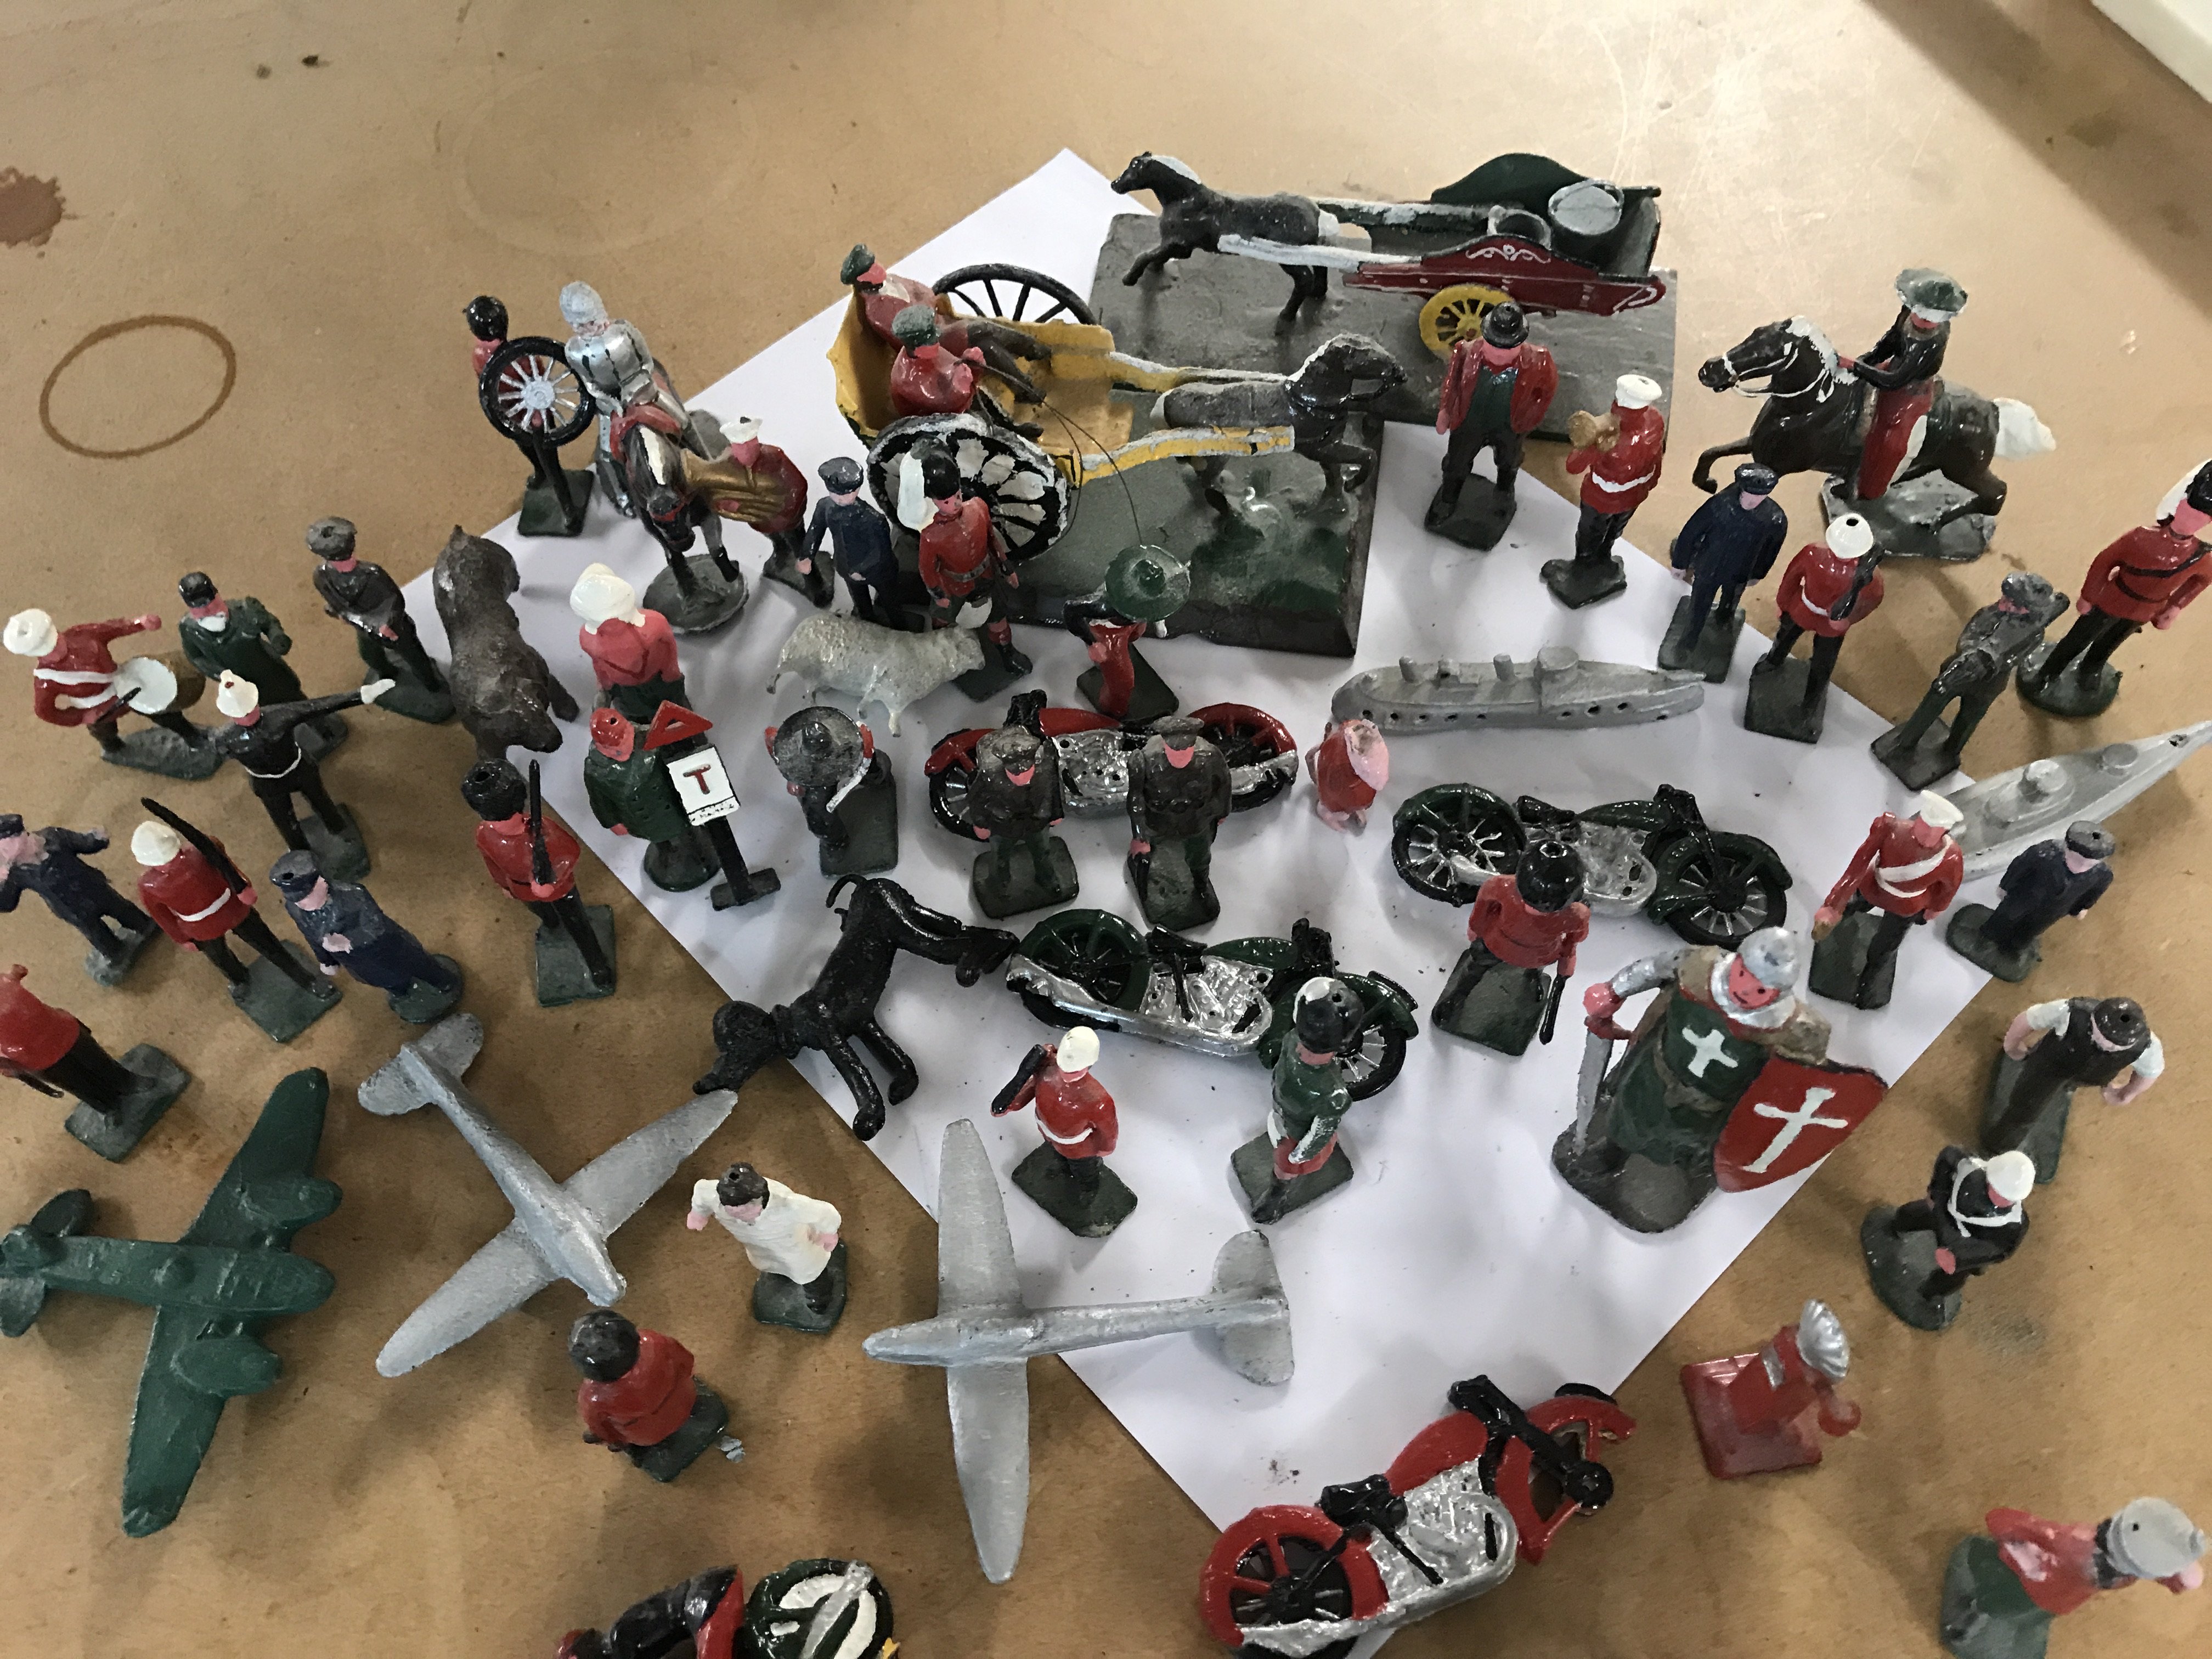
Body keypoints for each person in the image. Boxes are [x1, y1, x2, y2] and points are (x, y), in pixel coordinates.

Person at [1555, 927, 1837, 1234]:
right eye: (1743, 974)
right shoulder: (1700, 967)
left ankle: (1684, 1171)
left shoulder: (1796, 1031)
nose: (1744, 990)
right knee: (1628, 1115)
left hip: (1714, 1104)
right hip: (1656, 1073)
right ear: (1738, 961)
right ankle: (1612, 1153)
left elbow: (1803, 1077)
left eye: (1760, 990)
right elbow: (1654, 968)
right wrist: (1615, 991)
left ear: (1777, 993)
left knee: (1690, 1143)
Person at [2018, 459, 2212, 717]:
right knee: (2078, 638)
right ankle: (2049, 672)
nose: (2190, 521)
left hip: (2146, 610)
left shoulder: (2201, 556)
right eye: (2188, 512)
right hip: (2112, 599)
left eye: (2198, 518)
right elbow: (2104, 562)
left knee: (2112, 641)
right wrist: (2089, 596)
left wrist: (2175, 606)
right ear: (2178, 506)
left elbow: (2202, 580)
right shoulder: (2140, 537)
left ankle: (2092, 667)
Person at [1941, 1497, 2202, 1659]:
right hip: (2034, 1591)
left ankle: (1977, 1623)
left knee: (2021, 1612)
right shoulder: (2079, 1547)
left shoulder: (2094, 1555)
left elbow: (2001, 1520)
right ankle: (1966, 1626)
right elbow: (2006, 1523)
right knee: (2001, 1607)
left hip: (2048, 1594)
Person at [460, 759, 614, 992]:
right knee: (543, 914)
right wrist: (504, 885)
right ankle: (552, 923)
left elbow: (570, 852)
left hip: (560, 890)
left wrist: (552, 880)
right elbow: (492, 862)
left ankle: (597, 964)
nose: (495, 824)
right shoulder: (484, 834)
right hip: (521, 889)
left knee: (578, 925)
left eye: (498, 818)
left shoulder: (543, 830)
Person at [131, 816, 322, 995]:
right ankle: (243, 980)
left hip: (224, 913)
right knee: (227, 956)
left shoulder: (197, 854)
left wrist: (243, 887)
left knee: (265, 946)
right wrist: (181, 938)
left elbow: (227, 867)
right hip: (213, 920)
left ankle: (300, 978)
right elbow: (161, 915)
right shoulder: (156, 881)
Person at [1432, 839, 1589, 1056]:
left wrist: (1568, 959)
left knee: (1516, 969)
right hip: (1505, 946)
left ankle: (1530, 979)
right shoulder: (1503, 888)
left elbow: (1572, 941)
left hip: (1530, 952)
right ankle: (1459, 996)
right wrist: (1476, 928)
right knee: (1476, 970)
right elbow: (1484, 904)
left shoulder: (1574, 915)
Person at [204, 671, 391, 854]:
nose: (247, 714)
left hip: (298, 768)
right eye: (243, 712)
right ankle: (299, 851)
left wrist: (360, 696)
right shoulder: (225, 738)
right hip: (270, 783)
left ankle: (337, 828)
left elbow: (315, 707)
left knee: (322, 802)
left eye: (249, 708)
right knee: (284, 820)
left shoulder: (274, 717)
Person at [1812, 792, 1965, 1009]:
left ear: (1945, 832)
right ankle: (1832, 938)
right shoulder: (1889, 829)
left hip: (1907, 906)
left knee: (1884, 948)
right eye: (1926, 825)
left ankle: (1868, 984)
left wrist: (1935, 909)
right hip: (1873, 887)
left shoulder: (1951, 857)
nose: (1928, 834)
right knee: (1848, 908)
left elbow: (1949, 887)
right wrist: (1833, 904)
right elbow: (1857, 866)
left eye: (1936, 830)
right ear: (1919, 820)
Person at [1984, 995, 2160, 1180]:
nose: (2107, 1044)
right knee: (2026, 1106)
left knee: (2071, 1085)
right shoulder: (2072, 1011)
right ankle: (1999, 1146)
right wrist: (2012, 1045)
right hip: (2050, 1066)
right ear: (2093, 1018)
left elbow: (2151, 1071)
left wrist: (2128, 1093)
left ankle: (2068, 1087)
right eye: (2103, 1036)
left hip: (2092, 1076)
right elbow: (2031, 1018)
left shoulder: (2146, 1045)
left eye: (2116, 1045)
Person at [268, 851, 460, 1016]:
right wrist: (327, 961)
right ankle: (401, 992)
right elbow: (312, 937)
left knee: (420, 965)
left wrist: (348, 942)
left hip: (391, 950)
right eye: (297, 900)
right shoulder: (296, 909)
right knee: (388, 982)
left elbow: (377, 926)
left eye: (306, 897)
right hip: (361, 965)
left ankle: (445, 982)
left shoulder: (354, 895)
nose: (302, 904)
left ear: (322, 884)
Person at [1426, 301, 1558, 539]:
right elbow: (1451, 383)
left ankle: (1504, 494)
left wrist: (1530, 419)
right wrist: (1445, 411)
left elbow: (1545, 392)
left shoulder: (1540, 360)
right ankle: (1448, 500)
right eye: (1493, 344)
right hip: (1470, 422)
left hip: (1509, 426)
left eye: (1507, 348)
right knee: (1456, 463)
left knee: (1509, 462)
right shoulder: (1465, 352)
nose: (1498, 352)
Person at [1864, 1145, 2033, 1328]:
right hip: (1942, 1213)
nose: (1999, 1198)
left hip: (1964, 1243)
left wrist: (1959, 1258)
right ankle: (1893, 1227)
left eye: (2006, 1197)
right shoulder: (1970, 1167)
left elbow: (2000, 1250)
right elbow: (1948, 1157)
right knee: (1909, 1215)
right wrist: (1936, 1192)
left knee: (1949, 1280)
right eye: (1995, 1188)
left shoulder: (2013, 1225)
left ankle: (1928, 1296)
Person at [3, 608, 206, 755]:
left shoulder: (81, 634)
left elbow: (111, 629)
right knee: (105, 733)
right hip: (97, 708)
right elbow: (45, 711)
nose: (57, 649)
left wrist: (140, 624)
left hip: (123, 685)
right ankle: (113, 748)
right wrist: (81, 717)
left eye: (56, 642)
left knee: (162, 711)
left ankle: (191, 736)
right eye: (50, 650)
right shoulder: (46, 680)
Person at [567, 1309, 738, 1482]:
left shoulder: (592, 1399)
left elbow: (604, 1431)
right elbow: (687, 1362)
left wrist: (614, 1441)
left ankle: (640, 1453)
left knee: (606, 1437)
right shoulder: (656, 1342)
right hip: (686, 1401)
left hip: (649, 1436)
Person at [1244, 978, 1362, 1223]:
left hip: (1296, 1137)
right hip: (1282, 1115)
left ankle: (1276, 1197)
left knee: (1284, 1169)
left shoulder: (1333, 1095)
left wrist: (1299, 1156)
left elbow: (1319, 1134)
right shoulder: (1291, 1041)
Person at [306, 517, 450, 716]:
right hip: (366, 628)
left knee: (416, 659)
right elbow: (339, 607)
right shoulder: (322, 576)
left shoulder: (373, 574)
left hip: (393, 628)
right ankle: (388, 674)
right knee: (370, 655)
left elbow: (395, 600)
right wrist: (363, 623)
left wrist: (387, 623)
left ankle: (432, 685)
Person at [1547, 373, 1665, 607]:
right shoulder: (1655, 421)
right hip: (1634, 494)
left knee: (1591, 533)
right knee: (1613, 530)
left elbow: (1573, 466)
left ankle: (1583, 568)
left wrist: (1592, 446)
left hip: (1601, 496)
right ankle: (1601, 559)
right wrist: (1652, 482)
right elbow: (1657, 458)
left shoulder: (1610, 435)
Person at [1753, 512, 1886, 720]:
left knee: (1823, 664)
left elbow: (1872, 600)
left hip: (1832, 625)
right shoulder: (1812, 554)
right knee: (1784, 636)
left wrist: (1849, 619)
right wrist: (1783, 603)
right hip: (1803, 608)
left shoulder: (1867, 577)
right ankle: (1774, 659)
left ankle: (1811, 701)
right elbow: (1792, 577)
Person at [912, 445, 1028, 680]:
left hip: (986, 577)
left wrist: (1006, 567)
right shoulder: (930, 535)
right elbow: (927, 568)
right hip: (952, 586)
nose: (955, 504)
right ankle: (942, 654)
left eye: (957, 496)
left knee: (998, 618)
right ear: (934, 501)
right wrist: (938, 593)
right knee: (942, 620)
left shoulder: (978, 508)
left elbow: (992, 540)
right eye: (947, 501)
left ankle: (1007, 653)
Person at [1849, 268, 1965, 500]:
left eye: (1929, 317)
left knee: (1889, 440)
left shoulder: (1931, 343)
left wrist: (1857, 367)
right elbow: (1893, 339)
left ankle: (1871, 489)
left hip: (1909, 390)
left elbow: (1896, 381)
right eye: (1919, 311)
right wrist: (1870, 359)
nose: (1921, 318)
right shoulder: (1908, 314)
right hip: (1892, 369)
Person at [1946, 822, 2115, 981]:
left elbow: (2094, 893)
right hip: (2022, 898)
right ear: (2067, 846)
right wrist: (2005, 886)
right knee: (2004, 918)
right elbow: (2019, 867)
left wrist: (2081, 908)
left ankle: (2016, 948)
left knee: (2033, 929)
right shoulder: (2043, 854)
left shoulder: (2102, 875)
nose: (2081, 866)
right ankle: (1987, 938)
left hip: (2054, 910)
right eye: (2077, 859)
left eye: (2089, 863)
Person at [992, 1026, 1122, 1228]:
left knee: (1084, 1171)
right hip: (1047, 1133)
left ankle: (1089, 1189)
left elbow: (1108, 1131)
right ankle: (1062, 1167)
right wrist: (1011, 1104)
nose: (1067, 1067)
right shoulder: (1046, 1067)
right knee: (1057, 1155)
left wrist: (1105, 1148)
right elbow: (1030, 1088)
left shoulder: (1098, 1100)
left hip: (1078, 1149)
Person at [686, 1161, 844, 1324]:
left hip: (794, 1250)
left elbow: (825, 1213)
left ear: (759, 1198)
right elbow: (701, 1192)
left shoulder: (788, 1205)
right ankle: (780, 1274)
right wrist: (698, 1214)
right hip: (759, 1249)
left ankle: (819, 1299)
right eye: (731, 1208)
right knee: (769, 1264)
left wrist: (829, 1234)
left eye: (744, 1209)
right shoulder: (714, 1196)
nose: (736, 1214)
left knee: (810, 1275)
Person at [1664, 462, 1787, 666]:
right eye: (1749, 494)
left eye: (1759, 496)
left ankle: (1723, 622)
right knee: (1698, 607)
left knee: (1730, 604)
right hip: (1709, 568)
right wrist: (1680, 563)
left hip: (1741, 572)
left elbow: (1771, 551)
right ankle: (1688, 642)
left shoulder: (1775, 519)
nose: (1752, 501)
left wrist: (1758, 573)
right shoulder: (1719, 506)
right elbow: (1691, 533)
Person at [582, 707, 714, 893]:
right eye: (615, 750)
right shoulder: (596, 771)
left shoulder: (653, 738)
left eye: (624, 742)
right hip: (640, 819)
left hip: (672, 805)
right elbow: (599, 800)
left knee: (687, 835)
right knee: (663, 843)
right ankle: (668, 860)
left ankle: (700, 856)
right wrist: (612, 822)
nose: (622, 750)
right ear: (602, 748)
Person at [0, 816, 156, 972]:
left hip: (94, 888)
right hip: (70, 907)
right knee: (96, 932)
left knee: (120, 908)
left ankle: (143, 925)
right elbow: (7, 902)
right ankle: (116, 953)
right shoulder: (15, 874)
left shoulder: (53, 837)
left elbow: (83, 843)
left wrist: (97, 839)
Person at [1125, 714, 1233, 930]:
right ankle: (1149, 884)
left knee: (1200, 857)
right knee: (1150, 857)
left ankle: (1200, 886)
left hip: (1196, 820)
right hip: (1158, 821)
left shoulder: (1210, 757)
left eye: (1186, 750)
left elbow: (1223, 784)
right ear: (1165, 745)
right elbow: (1136, 798)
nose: (1180, 755)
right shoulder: (1144, 760)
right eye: (1175, 750)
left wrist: (1222, 812)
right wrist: (1139, 835)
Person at [569, 563, 687, 722]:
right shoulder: (588, 638)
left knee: (671, 711)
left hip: (657, 682)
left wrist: (671, 676)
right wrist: (605, 688)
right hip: (626, 690)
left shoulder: (655, 625)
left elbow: (669, 652)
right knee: (636, 715)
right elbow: (599, 665)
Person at [176, 572, 311, 709]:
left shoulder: (246, 610)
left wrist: (277, 637)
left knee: (298, 703)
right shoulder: (189, 630)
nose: (206, 610)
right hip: (241, 690)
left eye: (210, 603)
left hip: (270, 674)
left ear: (217, 596)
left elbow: (269, 623)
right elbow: (195, 657)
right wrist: (221, 674)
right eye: (198, 607)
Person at [805, 456, 898, 621]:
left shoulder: (873, 519)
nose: (841, 498)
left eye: (847, 493)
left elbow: (881, 551)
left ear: (857, 490)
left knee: (890, 601)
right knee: (861, 602)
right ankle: (866, 619)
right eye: (835, 493)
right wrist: (807, 556)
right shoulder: (825, 507)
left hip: (879, 571)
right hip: (846, 567)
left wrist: (861, 569)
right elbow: (815, 530)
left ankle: (898, 623)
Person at [888, 303, 984, 417]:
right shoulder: (908, 380)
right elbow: (946, 406)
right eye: (932, 342)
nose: (937, 343)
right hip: (933, 419)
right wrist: (959, 387)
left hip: (963, 401)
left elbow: (954, 366)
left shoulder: (930, 354)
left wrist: (971, 363)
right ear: (917, 348)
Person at [1304, 718, 1387, 832]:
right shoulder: (1343, 767)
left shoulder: (1345, 738)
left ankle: (1342, 808)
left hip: (1341, 785)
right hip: (1334, 796)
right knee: (1343, 814)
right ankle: (1326, 813)